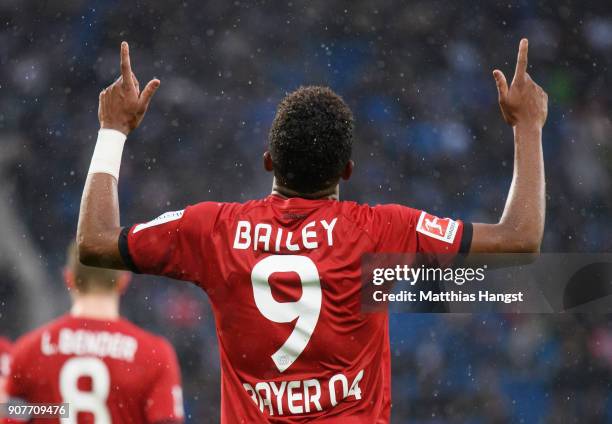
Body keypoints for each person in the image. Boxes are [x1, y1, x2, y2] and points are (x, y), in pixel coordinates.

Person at [77, 39, 547, 422]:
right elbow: (520, 238)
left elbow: (95, 242)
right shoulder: (382, 232)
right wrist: (527, 125)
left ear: (268, 162)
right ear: (346, 170)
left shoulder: (213, 229)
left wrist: (112, 130)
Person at [5, 243, 184, 423]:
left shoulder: (28, 351)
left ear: (69, 279)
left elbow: (14, 416)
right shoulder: (153, 355)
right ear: (123, 281)